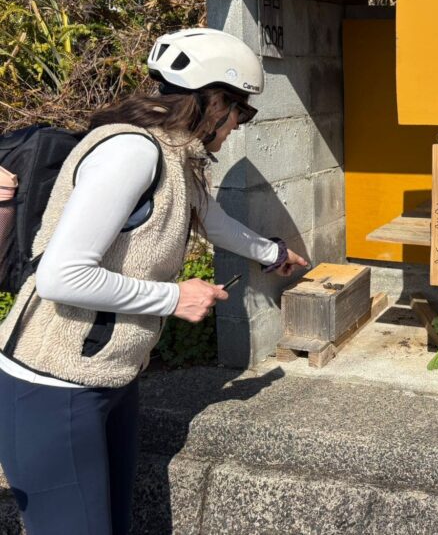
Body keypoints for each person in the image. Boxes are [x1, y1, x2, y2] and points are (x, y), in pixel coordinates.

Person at [0, 28, 308, 534]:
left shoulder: (174, 152)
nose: (238, 126)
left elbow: (209, 217)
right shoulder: (132, 153)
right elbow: (61, 275)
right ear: (215, 102)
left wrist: (273, 254)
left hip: (111, 376)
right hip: (52, 383)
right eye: (242, 112)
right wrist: (174, 298)